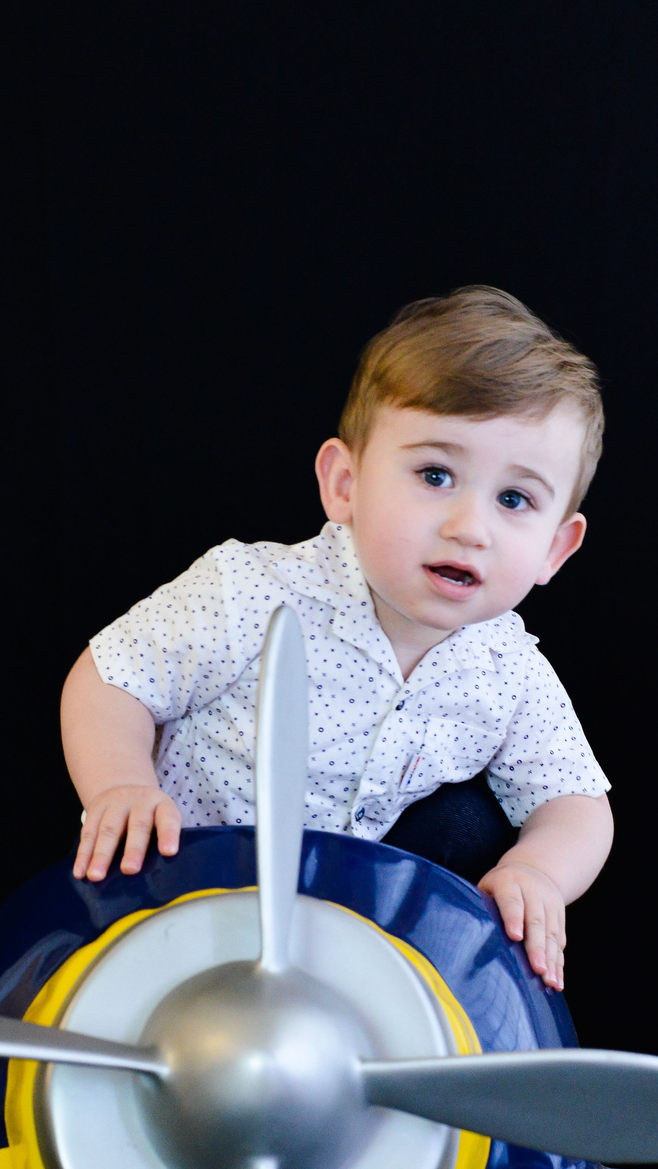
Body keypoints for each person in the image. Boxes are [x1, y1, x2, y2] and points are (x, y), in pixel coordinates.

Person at [60, 287, 613, 992]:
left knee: (469, 859)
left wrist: (538, 872)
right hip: (169, 894)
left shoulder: (509, 669)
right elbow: (110, 680)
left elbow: (576, 803)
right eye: (435, 475)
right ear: (344, 483)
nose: (470, 527)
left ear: (554, 552)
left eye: (514, 500)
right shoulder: (252, 591)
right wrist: (121, 787)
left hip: (329, 942)